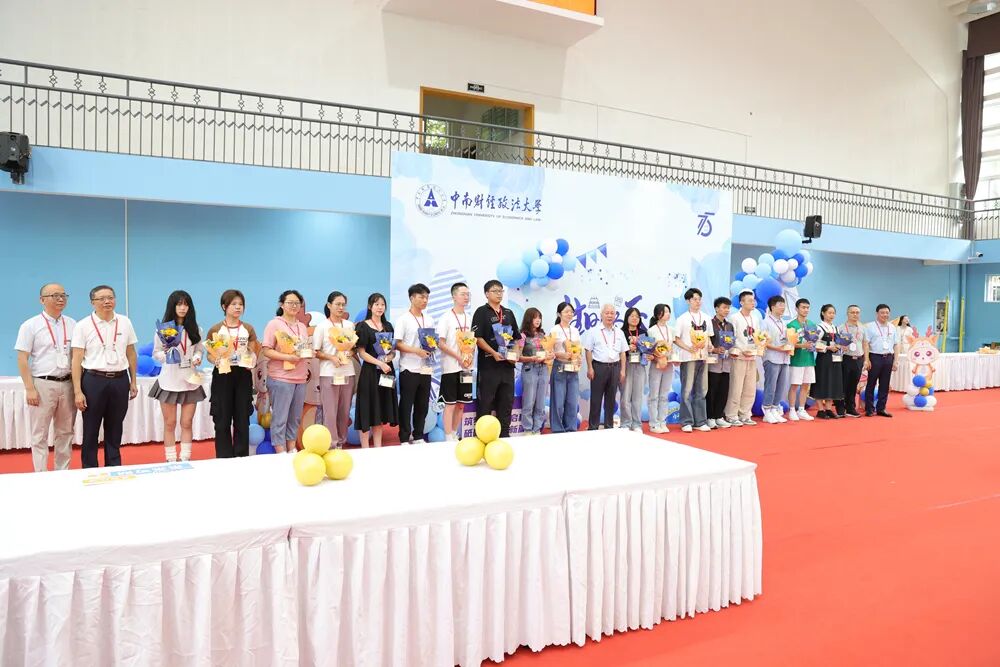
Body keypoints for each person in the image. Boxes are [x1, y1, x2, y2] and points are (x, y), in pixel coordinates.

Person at [70, 285, 138, 468]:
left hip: (120, 380)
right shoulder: (83, 325)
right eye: (102, 298)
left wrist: (133, 381)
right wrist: (77, 391)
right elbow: (76, 360)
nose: (107, 301)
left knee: (115, 428)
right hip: (93, 381)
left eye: (110, 297)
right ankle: (89, 469)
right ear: (92, 302)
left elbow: (131, 353)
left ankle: (113, 468)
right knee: (91, 429)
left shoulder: (125, 322)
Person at [15, 283, 77, 471]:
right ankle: (41, 475)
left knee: (65, 432)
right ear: (42, 300)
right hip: (42, 384)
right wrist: (29, 388)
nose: (60, 299)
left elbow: (77, 357)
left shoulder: (72, 324)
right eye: (55, 295)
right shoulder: (30, 325)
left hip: (67, 383)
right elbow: (22, 358)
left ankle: (62, 472)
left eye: (63, 295)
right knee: (39, 433)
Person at [148, 290, 206, 462]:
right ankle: (171, 459)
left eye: (186, 304)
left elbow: (199, 350)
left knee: (187, 422)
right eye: (179, 304)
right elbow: (156, 353)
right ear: (172, 306)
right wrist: (167, 356)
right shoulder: (164, 330)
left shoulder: (196, 329)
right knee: (170, 423)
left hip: (190, 380)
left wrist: (197, 358)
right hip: (169, 380)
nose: (182, 308)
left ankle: (185, 458)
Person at [206, 289, 260, 458]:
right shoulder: (216, 329)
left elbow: (253, 351)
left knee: (242, 418)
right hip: (222, 374)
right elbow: (209, 354)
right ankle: (224, 456)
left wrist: (251, 359)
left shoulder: (248, 328)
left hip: (242, 375)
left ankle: (241, 456)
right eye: (234, 304)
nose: (238, 307)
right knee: (222, 418)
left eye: (241, 304)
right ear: (224, 306)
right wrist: (215, 360)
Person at [261, 290, 310, 453]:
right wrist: (287, 357)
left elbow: (303, 348)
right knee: (280, 417)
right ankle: (280, 450)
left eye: (297, 303)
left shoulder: (302, 326)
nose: (294, 306)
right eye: (290, 302)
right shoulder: (274, 324)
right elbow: (266, 350)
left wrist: (308, 352)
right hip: (281, 378)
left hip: (300, 378)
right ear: (282, 304)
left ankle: (291, 448)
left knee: (295, 418)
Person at [472, 280, 520, 437]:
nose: (499, 294)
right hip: (489, 366)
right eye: (495, 291)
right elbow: (477, 338)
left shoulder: (508, 313)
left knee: (506, 402)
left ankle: (504, 435)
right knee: (486, 402)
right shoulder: (481, 312)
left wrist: (515, 354)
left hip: (507, 367)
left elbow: (516, 338)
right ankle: (481, 437)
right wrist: (493, 352)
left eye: (501, 291)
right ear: (487, 294)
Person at [312, 291, 356, 448]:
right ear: (329, 305)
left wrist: (349, 353)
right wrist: (331, 357)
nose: (341, 307)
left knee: (344, 411)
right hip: (329, 373)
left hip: (348, 373)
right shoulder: (322, 327)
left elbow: (354, 348)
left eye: (343, 304)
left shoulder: (349, 325)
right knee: (330, 412)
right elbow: (316, 351)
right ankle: (331, 444)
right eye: (337, 304)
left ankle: (341, 443)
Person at [355, 293, 398, 447]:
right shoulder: (363, 326)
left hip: (386, 372)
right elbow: (361, 353)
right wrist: (379, 363)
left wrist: (389, 357)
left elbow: (392, 351)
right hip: (370, 373)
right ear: (370, 307)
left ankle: (378, 448)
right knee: (368, 409)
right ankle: (365, 448)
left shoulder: (388, 326)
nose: (380, 307)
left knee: (380, 410)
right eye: (376, 304)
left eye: (382, 304)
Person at [395, 283, 435, 445]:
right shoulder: (403, 319)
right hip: (409, 368)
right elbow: (397, 344)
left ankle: (418, 435)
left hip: (425, 368)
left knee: (422, 405)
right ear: (412, 298)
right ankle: (404, 437)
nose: (425, 300)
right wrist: (416, 351)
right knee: (406, 404)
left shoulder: (429, 319)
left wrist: (432, 346)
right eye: (421, 297)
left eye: (427, 297)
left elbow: (432, 341)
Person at [436, 282, 474, 441]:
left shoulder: (470, 318)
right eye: (462, 294)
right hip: (450, 367)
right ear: (454, 297)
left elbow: (473, 342)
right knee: (450, 403)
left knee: (461, 404)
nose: (466, 297)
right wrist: (458, 357)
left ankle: (454, 433)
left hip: (467, 368)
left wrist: (469, 357)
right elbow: (440, 343)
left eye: (467, 294)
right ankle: (447, 436)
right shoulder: (446, 318)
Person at [673, 288, 714, 433]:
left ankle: (700, 421)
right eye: (695, 299)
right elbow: (676, 339)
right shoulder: (682, 319)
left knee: (701, 390)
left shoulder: (707, 318)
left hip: (703, 357)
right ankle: (686, 421)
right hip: (688, 358)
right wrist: (688, 348)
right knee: (687, 390)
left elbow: (708, 337)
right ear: (688, 301)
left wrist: (710, 346)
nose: (698, 302)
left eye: (699, 299)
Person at [585, 303, 628, 430]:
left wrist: (623, 370)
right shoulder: (594, 331)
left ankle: (609, 426)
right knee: (596, 399)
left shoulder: (619, 332)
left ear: (615, 316)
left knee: (611, 399)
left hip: (615, 367)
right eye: (607, 313)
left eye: (612, 313)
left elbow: (623, 353)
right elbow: (588, 350)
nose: (609, 315)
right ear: (601, 315)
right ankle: (593, 427)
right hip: (599, 367)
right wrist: (590, 368)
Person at [725, 290, 763, 427]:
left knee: (749, 388)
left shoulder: (755, 318)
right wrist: (740, 350)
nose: (753, 303)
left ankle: (745, 414)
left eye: (754, 300)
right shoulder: (734, 318)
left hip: (752, 357)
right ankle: (731, 415)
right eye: (749, 300)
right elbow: (730, 338)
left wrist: (759, 347)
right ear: (741, 302)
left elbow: (757, 336)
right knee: (736, 387)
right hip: (739, 357)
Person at [518, 307, 553, 435]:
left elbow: (549, 351)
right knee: (529, 401)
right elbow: (517, 357)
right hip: (530, 369)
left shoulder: (543, 335)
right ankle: (527, 429)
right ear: (529, 319)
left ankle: (537, 429)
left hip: (543, 369)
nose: (538, 320)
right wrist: (532, 358)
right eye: (535, 317)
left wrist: (550, 355)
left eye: (539, 317)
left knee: (541, 402)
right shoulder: (522, 335)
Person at [550, 302, 582, 434]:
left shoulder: (575, 330)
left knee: (572, 401)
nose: (569, 314)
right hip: (559, 366)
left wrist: (578, 357)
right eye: (566, 311)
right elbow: (549, 351)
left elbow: (578, 349)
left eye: (571, 312)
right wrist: (560, 354)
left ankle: (571, 428)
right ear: (559, 314)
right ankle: (558, 429)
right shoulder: (554, 330)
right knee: (558, 401)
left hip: (573, 368)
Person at [863, 303, 899, 417]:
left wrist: (896, 360)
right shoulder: (870, 326)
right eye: (882, 312)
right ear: (877, 314)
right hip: (875, 357)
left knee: (885, 384)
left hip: (888, 357)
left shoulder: (892, 327)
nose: (885, 315)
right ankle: (869, 409)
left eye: (887, 313)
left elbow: (896, 344)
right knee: (871, 383)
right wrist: (867, 359)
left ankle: (881, 408)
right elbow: (866, 343)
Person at [761, 295, 792, 424]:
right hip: (772, 357)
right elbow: (762, 341)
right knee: (771, 385)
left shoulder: (783, 323)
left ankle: (775, 408)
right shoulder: (765, 322)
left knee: (781, 386)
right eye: (780, 305)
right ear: (772, 307)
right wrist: (777, 348)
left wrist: (789, 346)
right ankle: (766, 409)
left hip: (784, 358)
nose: (783, 307)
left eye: (784, 305)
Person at [810, 304, 844, 418]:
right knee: (822, 382)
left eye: (833, 313)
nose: (831, 315)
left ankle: (829, 409)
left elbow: (838, 342)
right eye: (829, 313)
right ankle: (820, 410)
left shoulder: (836, 328)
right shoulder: (819, 327)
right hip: (824, 359)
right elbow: (813, 344)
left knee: (833, 383)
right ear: (823, 313)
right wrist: (828, 347)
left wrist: (840, 346)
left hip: (835, 359)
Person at [786, 298, 817, 421]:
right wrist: (803, 345)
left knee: (806, 385)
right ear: (797, 309)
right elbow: (789, 344)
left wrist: (815, 346)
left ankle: (801, 409)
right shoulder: (791, 325)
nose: (806, 310)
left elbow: (814, 341)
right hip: (797, 360)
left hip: (809, 359)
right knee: (794, 385)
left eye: (807, 308)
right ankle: (792, 409)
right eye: (803, 307)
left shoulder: (812, 324)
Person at [707, 296, 735, 429]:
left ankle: (719, 416)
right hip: (714, 362)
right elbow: (707, 342)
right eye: (724, 307)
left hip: (727, 362)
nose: (726, 310)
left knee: (724, 390)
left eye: (728, 308)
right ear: (717, 308)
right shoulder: (710, 324)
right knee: (712, 390)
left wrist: (732, 350)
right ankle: (710, 417)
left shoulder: (729, 325)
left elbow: (731, 342)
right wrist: (715, 349)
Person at [646, 303, 674, 434]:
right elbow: (649, 349)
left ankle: (662, 421)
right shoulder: (652, 330)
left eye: (669, 311)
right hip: (656, 365)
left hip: (669, 364)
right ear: (658, 314)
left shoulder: (671, 330)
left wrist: (672, 358)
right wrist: (657, 358)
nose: (668, 314)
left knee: (664, 395)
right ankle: (653, 423)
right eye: (665, 312)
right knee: (654, 395)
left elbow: (672, 347)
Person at [619, 307, 647, 433]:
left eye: (637, 316)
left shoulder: (643, 332)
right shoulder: (621, 332)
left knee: (637, 396)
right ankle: (626, 423)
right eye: (632, 316)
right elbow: (618, 350)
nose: (635, 318)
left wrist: (648, 352)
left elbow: (647, 349)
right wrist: (627, 348)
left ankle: (636, 424)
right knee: (625, 395)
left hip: (640, 364)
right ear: (627, 318)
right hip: (626, 364)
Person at [835, 304, 865, 418]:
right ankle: (840, 407)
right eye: (852, 312)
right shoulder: (841, 328)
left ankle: (850, 408)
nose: (855, 314)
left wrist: (866, 359)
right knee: (843, 384)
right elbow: (836, 344)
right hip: (845, 359)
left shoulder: (862, 328)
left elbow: (865, 344)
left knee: (853, 385)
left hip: (858, 359)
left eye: (857, 312)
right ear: (847, 314)